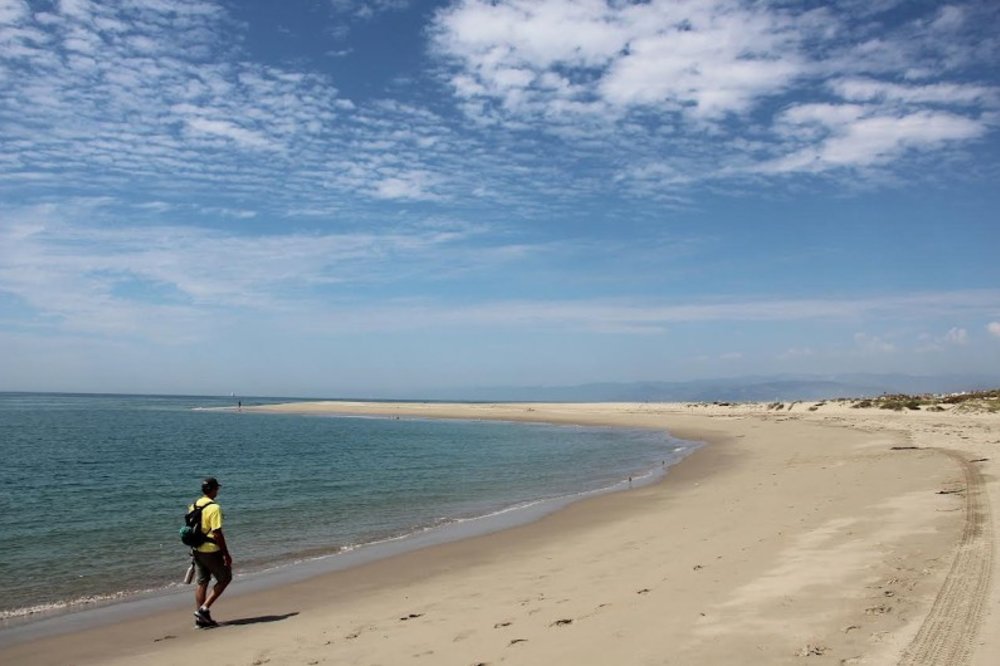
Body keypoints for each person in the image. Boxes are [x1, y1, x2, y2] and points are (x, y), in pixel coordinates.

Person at [189, 476, 233, 628]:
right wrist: (226, 554)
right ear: (214, 489)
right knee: (226, 577)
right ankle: (204, 609)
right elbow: (217, 533)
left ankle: (201, 620)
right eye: (217, 488)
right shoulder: (214, 508)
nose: (218, 491)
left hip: (196, 549)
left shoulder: (194, 505)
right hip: (211, 550)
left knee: (202, 582)